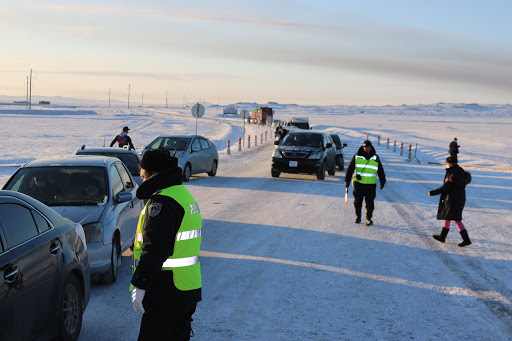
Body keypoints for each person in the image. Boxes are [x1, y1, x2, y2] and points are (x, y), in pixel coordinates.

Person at [130, 149, 202, 341]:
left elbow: (155, 249)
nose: (140, 175)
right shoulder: (181, 194)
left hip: (167, 291)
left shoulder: (162, 202)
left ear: (153, 173)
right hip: (184, 287)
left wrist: (140, 284)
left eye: (142, 170)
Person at [428, 156, 472, 247]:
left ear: (450, 164)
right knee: (450, 217)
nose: (447, 165)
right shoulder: (460, 171)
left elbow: (446, 187)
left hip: (453, 199)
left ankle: (466, 240)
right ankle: (442, 237)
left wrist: (432, 192)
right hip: (460, 198)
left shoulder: (452, 173)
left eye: (447, 163)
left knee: (454, 219)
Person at [344, 140, 386, 226]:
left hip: (371, 184)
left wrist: (383, 181)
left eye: (368, 147)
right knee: (357, 202)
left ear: (371, 147)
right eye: (365, 147)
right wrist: (347, 181)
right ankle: (358, 216)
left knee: (370, 202)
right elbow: (350, 170)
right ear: (363, 148)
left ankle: (368, 219)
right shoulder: (356, 157)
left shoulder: (375, 157)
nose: (367, 149)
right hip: (359, 184)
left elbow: (380, 170)